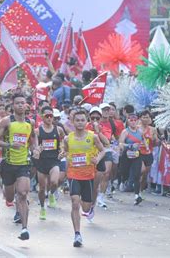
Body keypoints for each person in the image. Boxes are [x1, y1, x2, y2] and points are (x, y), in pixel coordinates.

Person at [0, 94, 39, 240]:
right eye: (17, 103)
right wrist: (9, 145)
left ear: (26, 105)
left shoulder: (30, 122)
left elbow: (33, 139)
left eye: (23, 103)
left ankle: (24, 229)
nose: (20, 105)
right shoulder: (6, 122)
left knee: (23, 194)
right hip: (8, 163)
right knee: (9, 196)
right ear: (13, 106)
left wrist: (36, 149)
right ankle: (14, 202)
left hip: (23, 164)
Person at [60, 110, 105, 247]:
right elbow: (65, 151)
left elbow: (103, 150)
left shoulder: (93, 137)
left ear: (87, 122)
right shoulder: (68, 138)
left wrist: (97, 158)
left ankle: (89, 208)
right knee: (74, 202)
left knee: (85, 207)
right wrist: (63, 154)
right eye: (77, 120)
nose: (80, 123)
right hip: (73, 174)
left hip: (88, 175)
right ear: (73, 122)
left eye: (82, 120)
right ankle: (77, 235)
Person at [34, 106, 65, 220]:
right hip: (42, 162)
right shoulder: (37, 131)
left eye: (51, 116)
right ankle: (42, 208)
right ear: (42, 117)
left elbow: (63, 142)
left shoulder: (58, 129)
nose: (49, 118)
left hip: (54, 160)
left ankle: (51, 194)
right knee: (41, 188)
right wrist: (36, 150)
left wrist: (62, 150)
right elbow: (35, 144)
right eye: (47, 116)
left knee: (54, 182)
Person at [118, 113, 146, 205]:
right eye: (131, 120)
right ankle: (123, 180)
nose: (133, 122)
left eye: (135, 120)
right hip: (126, 156)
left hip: (137, 156)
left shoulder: (140, 131)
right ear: (128, 121)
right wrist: (130, 145)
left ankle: (137, 195)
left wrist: (144, 145)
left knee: (137, 175)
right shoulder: (125, 132)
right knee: (125, 172)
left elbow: (143, 140)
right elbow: (120, 144)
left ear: (137, 121)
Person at [139, 110, 158, 192]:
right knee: (142, 170)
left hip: (149, 153)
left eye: (147, 117)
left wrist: (155, 140)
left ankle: (140, 191)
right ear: (140, 118)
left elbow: (155, 142)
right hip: (139, 153)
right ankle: (137, 190)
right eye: (144, 117)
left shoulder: (153, 129)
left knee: (145, 174)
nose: (146, 119)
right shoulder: (136, 128)